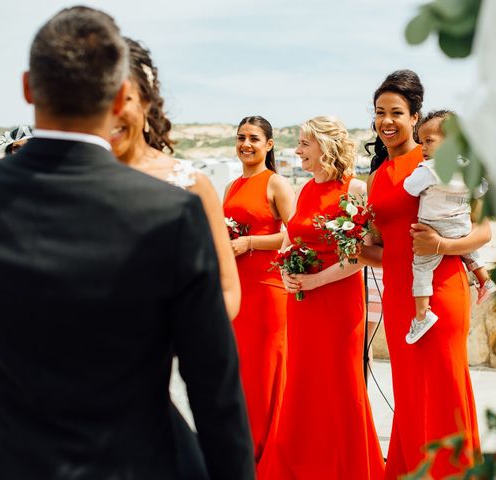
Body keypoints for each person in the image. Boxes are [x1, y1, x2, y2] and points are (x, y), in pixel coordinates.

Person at [0, 7, 253, 480]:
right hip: (136, 461)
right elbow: (213, 387)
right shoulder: (169, 214)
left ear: (28, 87)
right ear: (120, 95)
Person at [359, 70, 486, 478]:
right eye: (380, 112)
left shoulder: (437, 160)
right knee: (411, 392)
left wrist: (443, 246)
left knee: (444, 385)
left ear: (415, 116)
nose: (387, 121)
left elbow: (482, 230)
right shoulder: (376, 177)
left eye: (397, 112)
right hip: (399, 294)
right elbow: (388, 249)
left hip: (441, 288)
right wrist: (353, 249)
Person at [260, 116, 384, 480]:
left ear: (325, 147)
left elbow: (358, 256)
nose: (297, 150)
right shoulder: (307, 189)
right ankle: (301, 462)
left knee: (339, 382)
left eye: (304, 143)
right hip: (301, 305)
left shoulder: (355, 188)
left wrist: (315, 283)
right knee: (302, 381)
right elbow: (291, 236)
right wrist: (284, 269)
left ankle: (344, 466)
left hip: (338, 303)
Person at [111, 37, 241, 320]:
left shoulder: (190, 184)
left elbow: (227, 290)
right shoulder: (66, 178)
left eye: (124, 97)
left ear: (146, 101)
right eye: (98, 99)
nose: (111, 112)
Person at [222, 116, 295, 469]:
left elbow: (295, 235)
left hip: (268, 290)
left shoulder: (276, 183)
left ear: (268, 144)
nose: (245, 144)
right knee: (242, 370)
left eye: (253, 138)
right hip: (238, 289)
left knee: (266, 370)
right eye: (240, 138)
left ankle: (267, 451)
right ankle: (242, 446)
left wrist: (250, 242)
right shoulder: (232, 186)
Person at [404, 109, 496, 344]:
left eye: (428, 141)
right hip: (460, 223)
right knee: (468, 250)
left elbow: (409, 187)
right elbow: (481, 188)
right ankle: (484, 279)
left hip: (433, 227)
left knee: (422, 268)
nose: (423, 148)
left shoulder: (431, 168)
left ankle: (422, 314)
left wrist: (417, 172)